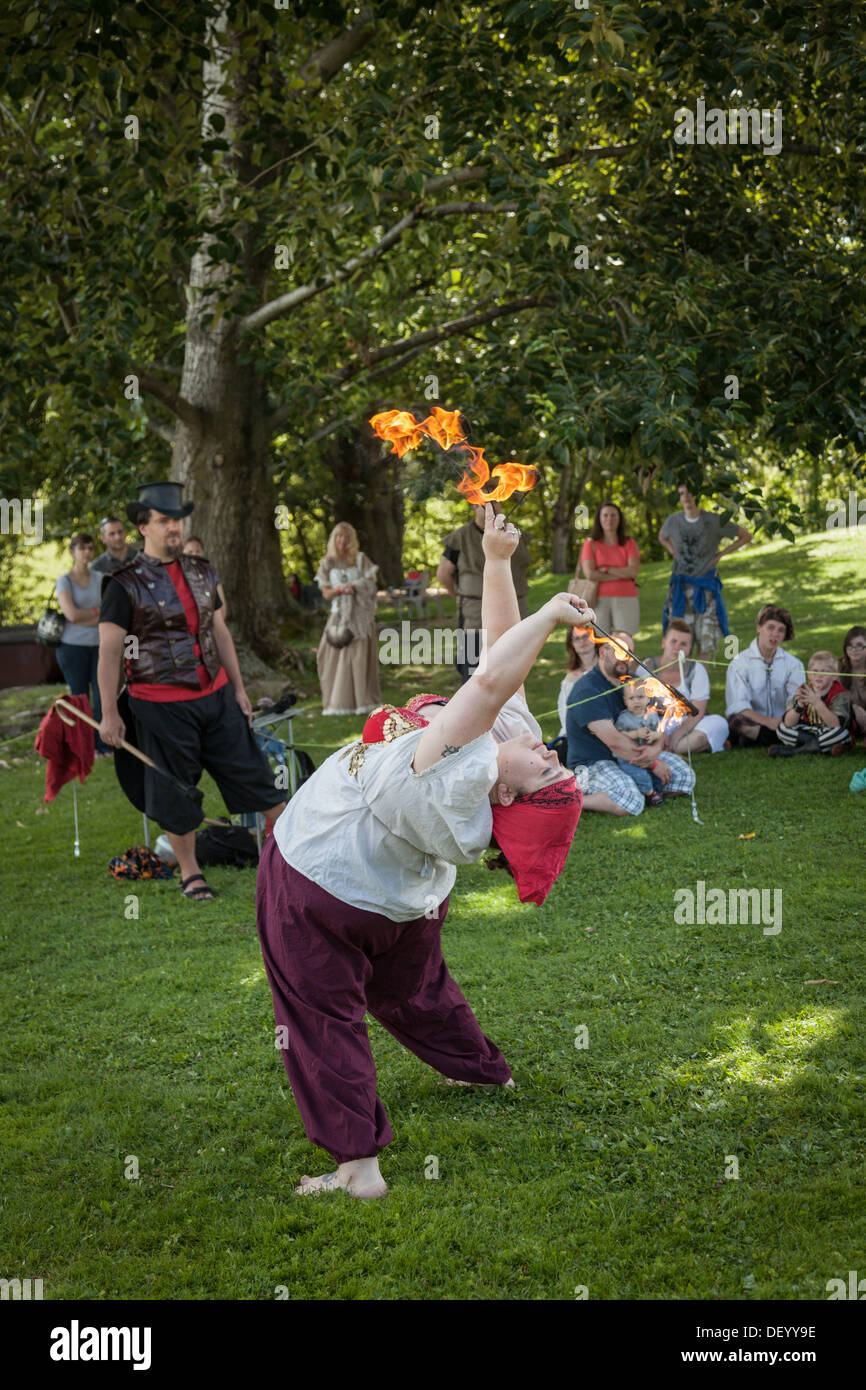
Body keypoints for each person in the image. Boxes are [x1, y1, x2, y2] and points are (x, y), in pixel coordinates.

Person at [256, 506, 586, 1199]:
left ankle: (358, 1169)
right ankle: (480, 1070)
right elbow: (501, 653)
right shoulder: (507, 750)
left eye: (549, 773)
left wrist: (554, 612)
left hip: (317, 877)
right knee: (415, 991)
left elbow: (491, 681)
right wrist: (495, 560)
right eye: (560, 764)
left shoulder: (463, 771)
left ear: (507, 798)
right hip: (406, 900)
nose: (552, 753)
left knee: (322, 1015)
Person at [97, 482, 286, 901]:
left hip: (216, 697)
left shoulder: (203, 573)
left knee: (255, 775)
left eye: (177, 520)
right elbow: (109, 654)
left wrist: (238, 690)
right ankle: (190, 873)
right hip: (159, 705)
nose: (173, 529)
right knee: (175, 792)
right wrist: (110, 713)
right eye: (164, 521)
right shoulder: (121, 584)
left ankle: (291, 859)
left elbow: (220, 633)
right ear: (143, 527)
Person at [565, 631, 695, 815]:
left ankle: (637, 787)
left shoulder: (634, 682)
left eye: (630, 653)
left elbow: (657, 720)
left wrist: (656, 749)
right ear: (603, 653)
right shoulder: (586, 690)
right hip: (594, 763)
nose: (626, 659)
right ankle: (570, 799)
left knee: (685, 777)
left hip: (633, 756)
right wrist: (653, 765)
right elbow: (614, 742)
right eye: (620, 652)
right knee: (631, 801)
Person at [438, 500, 531, 683]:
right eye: (486, 503)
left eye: (497, 502)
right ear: (474, 506)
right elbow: (443, 574)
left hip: (514, 608)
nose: (493, 507)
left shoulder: (512, 533)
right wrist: (460, 594)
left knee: (511, 668)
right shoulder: (461, 537)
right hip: (476, 612)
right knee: (476, 672)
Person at [659, 484, 752, 660]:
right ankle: (681, 685)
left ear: (698, 496)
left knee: (705, 642)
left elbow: (746, 535)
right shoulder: (673, 521)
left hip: (706, 587)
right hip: (681, 588)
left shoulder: (714, 520)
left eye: (690, 492)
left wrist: (721, 555)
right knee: (680, 643)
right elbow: (662, 537)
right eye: (681, 493)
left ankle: (701, 685)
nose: (686, 497)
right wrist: (673, 551)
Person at [315, 522, 382, 716]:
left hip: (359, 616)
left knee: (359, 657)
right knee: (327, 655)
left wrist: (355, 587)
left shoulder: (361, 560)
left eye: (346, 537)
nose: (342, 540)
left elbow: (371, 586)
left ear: (352, 539)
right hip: (338, 614)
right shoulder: (327, 562)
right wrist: (340, 590)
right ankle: (338, 702)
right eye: (339, 536)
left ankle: (362, 701)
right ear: (334, 539)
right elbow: (326, 594)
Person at [55, 533, 111, 755]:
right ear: (72, 551)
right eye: (82, 548)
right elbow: (72, 615)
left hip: (99, 645)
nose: (86, 552)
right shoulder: (64, 580)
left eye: (90, 548)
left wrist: (91, 614)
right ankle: (81, 746)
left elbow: (109, 612)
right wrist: (96, 613)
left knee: (101, 695)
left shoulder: (100, 577)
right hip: (72, 647)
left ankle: (102, 745)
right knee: (79, 697)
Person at [642, 619, 729, 753]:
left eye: (684, 644)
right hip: (656, 723)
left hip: (687, 724)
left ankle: (668, 748)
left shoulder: (696, 669)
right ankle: (680, 747)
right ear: (664, 642)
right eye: (673, 641)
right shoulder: (647, 667)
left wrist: (678, 733)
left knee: (719, 723)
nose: (678, 647)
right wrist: (661, 732)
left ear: (689, 649)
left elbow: (698, 711)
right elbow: (641, 707)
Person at [725, 604, 805, 748]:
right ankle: (782, 739)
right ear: (759, 628)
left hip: (785, 721)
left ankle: (756, 739)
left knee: (802, 718)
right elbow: (738, 705)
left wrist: (783, 720)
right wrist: (768, 722)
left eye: (781, 630)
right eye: (771, 627)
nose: (775, 634)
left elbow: (795, 700)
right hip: (752, 721)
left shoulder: (794, 664)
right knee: (736, 722)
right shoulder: (740, 662)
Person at [772, 652, 852, 756]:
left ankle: (796, 751)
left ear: (834, 676)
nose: (819, 676)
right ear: (809, 674)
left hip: (829, 731)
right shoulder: (803, 690)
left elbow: (836, 724)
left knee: (841, 734)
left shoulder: (839, 693)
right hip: (808, 731)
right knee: (782, 729)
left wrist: (817, 703)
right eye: (815, 671)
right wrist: (799, 705)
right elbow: (788, 723)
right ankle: (818, 746)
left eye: (824, 672)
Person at [578, 502, 640, 633]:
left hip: (626, 597)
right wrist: (623, 573)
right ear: (599, 519)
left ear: (619, 518)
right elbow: (591, 574)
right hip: (598, 599)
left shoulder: (629, 543)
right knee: (599, 640)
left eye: (613, 515)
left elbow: (633, 571)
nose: (609, 519)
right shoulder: (590, 544)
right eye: (605, 515)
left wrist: (606, 569)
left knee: (625, 641)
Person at [614, 679, 666, 806]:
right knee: (640, 775)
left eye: (640, 697)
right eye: (631, 698)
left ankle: (656, 792)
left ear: (648, 699)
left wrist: (654, 735)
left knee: (654, 775)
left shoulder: (652, 715)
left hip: (648, 754)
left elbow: (660, 732)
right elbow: (620, 735)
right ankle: (650, 794)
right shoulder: (624, 718)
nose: (636, 701)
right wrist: (636, 734)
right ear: (625, 701)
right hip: (628, 757)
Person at [183, 536, 227, 617]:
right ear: (182, 553)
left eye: (198, 551)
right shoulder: (178, 575)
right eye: (190, 552)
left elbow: (222, 610)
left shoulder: (211, 575)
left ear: (203, 553)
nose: (194, 554)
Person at [840, 626, 866, 747]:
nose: (854, 649)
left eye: (859, 645)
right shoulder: (838, 668)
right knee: (856, 709)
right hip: (847, 718)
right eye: (850, 645)